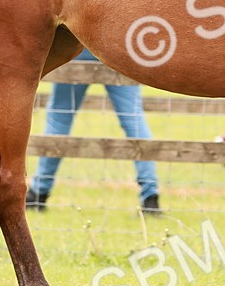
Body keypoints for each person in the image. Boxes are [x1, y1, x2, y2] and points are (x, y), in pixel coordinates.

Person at [26, 48, 161, 215]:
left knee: (59, 116)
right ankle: (150, 196)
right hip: (118, 49)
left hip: (78, 46)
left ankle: (39, 192)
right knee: (133, 118)